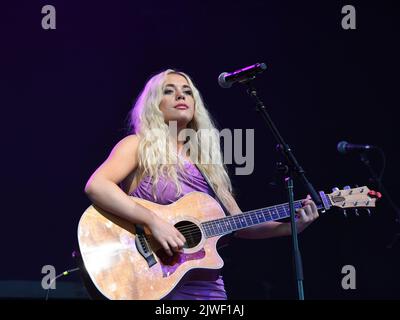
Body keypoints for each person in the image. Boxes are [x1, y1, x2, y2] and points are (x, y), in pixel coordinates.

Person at [84, 69, 319, 300]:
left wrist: (290, 228)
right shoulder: (137, 145)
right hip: (149, 278)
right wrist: (153, 222)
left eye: (187, 92)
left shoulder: (206, 164)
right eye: (169, 91)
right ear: (155, 105)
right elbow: (98, 186)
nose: (181, 96)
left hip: (205, 286)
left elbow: (238, 223)